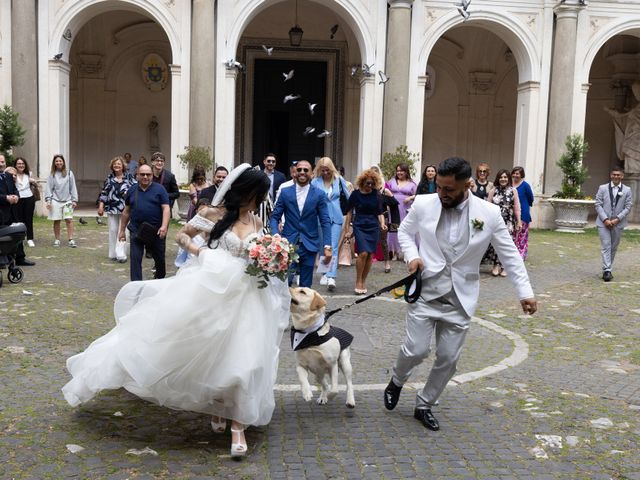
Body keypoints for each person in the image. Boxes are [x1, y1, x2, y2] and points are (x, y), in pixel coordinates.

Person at [62, 164, 289, 459]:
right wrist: (202, 253)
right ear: (246, 191)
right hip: (213, 289)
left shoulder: (258, 223)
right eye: (257, 194)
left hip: (248, 297)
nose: (260, 199)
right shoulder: (213, 214)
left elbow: (257, 254)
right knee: (211, 354)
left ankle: (237, 426)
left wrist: (272, 259)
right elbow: (183, 236)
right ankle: (219, 406)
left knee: (245, 360)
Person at [383, 157, 537, 431]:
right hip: (426, 290)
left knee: (449, 358)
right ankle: (397, 379)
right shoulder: (423, 203)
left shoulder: (489, 213)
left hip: (460, 296)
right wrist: (413, 256)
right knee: (416, 350)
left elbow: (510, 255)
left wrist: (525, 292)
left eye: (448, 190)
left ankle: (425, 403)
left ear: (467, 185)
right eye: (439, 187)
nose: (442, 193)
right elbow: (405, 234)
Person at [270, 159, 332, 288]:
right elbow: (274, 217)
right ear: (294, 173)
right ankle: (283, 308)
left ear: (312, 174)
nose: (302, 172)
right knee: (284, 282)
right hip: (288, 244)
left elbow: (325, 221)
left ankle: (304, 308)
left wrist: (327, 246)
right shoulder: (285, 192)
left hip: (310, 244)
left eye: (306, 170)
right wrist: (276, 236)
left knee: (305, 286)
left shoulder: (319, 194)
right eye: (299, 170)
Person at [119, 164, 170, 281]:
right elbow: (126, 212)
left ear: (152, 175)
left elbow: (166, 208)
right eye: (142, 174)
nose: (145, 177)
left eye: (148, 174)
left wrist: (164, 226)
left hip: (156, 231)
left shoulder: (160, 189)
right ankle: (136, 286)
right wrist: (122, 231)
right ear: (137, 175)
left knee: (160, 260)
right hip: (136, 231)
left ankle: (160, 280)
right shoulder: (132, 190)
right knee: (135, 260)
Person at [339, 169, 387, 294]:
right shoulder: (355, 194)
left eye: (372, 183)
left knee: (370, 255)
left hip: (373, 226)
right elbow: (349, 212)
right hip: (359, 225)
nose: (369, 186)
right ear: (362, 182)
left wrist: (382, 224)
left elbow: (380, 212)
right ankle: (358, 281)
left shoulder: (376, 194)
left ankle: (363, 281)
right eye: (367, 183)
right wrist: (347, 230)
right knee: (363, 253)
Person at [311, 157, 350, 292]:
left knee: (332, 246)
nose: (325, 173)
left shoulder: (339, 180)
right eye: (323, 170)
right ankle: (324, 273)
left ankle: (331, 276)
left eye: (327, 170)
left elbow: (349, 198)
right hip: (320, 218)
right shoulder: (315, 182)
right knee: (323, 246)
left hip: (336, 217)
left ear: (331, 168)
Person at [595, 167, 633, 282]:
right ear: (611, 175)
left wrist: (617, 219)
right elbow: (598, 204)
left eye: (618, 175)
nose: (616, 176)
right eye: (614, 174)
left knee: (613, 247)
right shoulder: (602, 188)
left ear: (622, 176)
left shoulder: (627, 190)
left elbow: (628, 206)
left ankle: (608, 268)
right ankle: (607, 270)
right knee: (606, 245)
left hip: (618, 223)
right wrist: (605, 219)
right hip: (603, 223)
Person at [97, 156, 137, 262]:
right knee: (113, 230)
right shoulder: (109, 178)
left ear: (123, 166)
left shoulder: (129, 177)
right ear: (112, 166)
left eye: (119, 164)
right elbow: (104, 193)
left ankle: (121, 254)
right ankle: (113, 253)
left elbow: (136, 191)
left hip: (126, 209)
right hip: (112, 208)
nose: (117, 166)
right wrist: (101, 206)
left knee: (123, 231)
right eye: (115, 164)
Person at [486, 169, 522, 277]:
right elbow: (487, 207)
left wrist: (519, 221)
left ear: (508, 179)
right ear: (498, 178)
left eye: (505, 177)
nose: (503, 179)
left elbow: (517, 208)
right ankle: (496, 265)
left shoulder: (513, 191)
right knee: (496, 243)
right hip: (496, 221)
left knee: (507, 244)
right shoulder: (493, 190)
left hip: (509, 221)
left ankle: (505, 266)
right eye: (501, 177)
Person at [0, 167, 36, 266]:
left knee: (17, 234)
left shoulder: (12, 183)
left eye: (15, 175)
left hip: (14, 211)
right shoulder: (2, 181)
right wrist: (7, 198)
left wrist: (16, 196)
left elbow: (16, 191)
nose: (14, 177)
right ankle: (6, 258)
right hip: (3, 213)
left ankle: (20, 257)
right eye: (11, 175)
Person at [44, 154, 79, 247]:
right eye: (56, 161)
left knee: (69, 220)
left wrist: (74, 200)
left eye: (60, 161)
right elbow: (49, 188)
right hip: (55, 200)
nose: (58, 162)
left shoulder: (69, 173)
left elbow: (73, 187)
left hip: (67, 201)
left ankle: (71, 239)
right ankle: (57, 239)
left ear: (63, 162)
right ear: (54, 163)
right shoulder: (52, 174)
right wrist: (48, 200)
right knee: (57, 220)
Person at [605, 81, 640, 174]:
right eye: (635, 93)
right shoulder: (637, 107)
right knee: (630, 153)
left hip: (636, 135)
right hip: (632, 134)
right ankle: (631, 170)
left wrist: (613, 113)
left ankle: (633, 170)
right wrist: (613, 113)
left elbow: (627, 115)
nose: (636, 95)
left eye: (637, 92)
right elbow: (626, 115)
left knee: (633, 153)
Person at [386, 163, 416, 260]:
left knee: (405, 229)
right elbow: (384, 192)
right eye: (397, 170)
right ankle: (394, 252)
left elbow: (417, 195)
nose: (399, 172)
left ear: (406, 172)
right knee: (394, 229)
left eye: (401, 171)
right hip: (393, 208)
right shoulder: (391, 181)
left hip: (405, 208)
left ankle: (406, 253)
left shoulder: (412, 183)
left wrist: (410, 197)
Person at [511, 166, 534, 260]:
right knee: (512, 235)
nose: (516, 175)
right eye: (514, 173)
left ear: (521, 175)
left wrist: (524, 206)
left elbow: (531, 199)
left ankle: (521, 255)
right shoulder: (509, 184)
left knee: (522, 235)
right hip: (511, 214)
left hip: (523, 214)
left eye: (518, 173)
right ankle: (512, 255)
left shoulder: (525, 185)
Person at [14, 157, 37, 247]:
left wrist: (33, 181)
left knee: (28, 219)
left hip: (29, 198)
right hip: (18, 198)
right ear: (15, 165)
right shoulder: (13, 174)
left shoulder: (29, 174)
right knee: (19, 219)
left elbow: (35, 184)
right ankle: (20, 239)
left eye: (22, 163)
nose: (21, 165)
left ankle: (30, 238)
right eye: (19, 164)